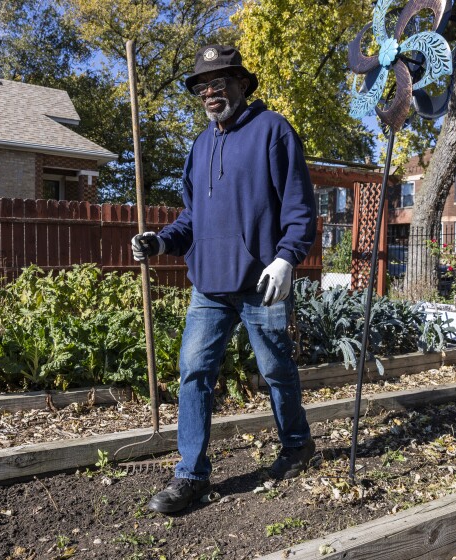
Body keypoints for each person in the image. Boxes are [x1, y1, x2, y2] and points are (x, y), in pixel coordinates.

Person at [131, 45, 317, 514]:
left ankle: (297, 446)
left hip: (261, 282)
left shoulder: (273, 130)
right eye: (202, 87)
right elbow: (193, 217)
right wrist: (160, 241)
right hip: (209, 285)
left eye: (219, 83)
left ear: (241, 84)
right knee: (194, 371)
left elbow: (299, 206)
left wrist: (287, 258)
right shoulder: (200, 145)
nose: (210, 93)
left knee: (276, 370)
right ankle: (190, 476)